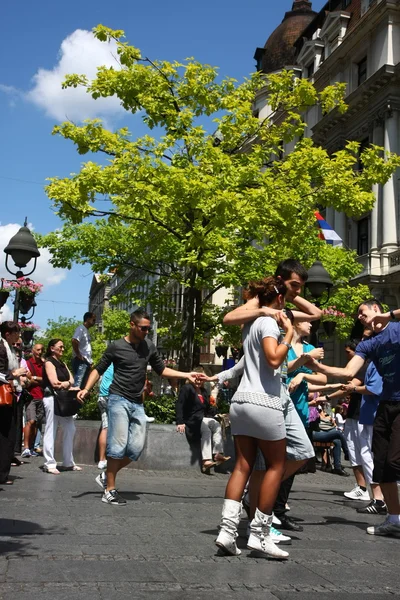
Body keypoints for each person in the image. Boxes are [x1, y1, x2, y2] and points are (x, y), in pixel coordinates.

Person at [223, 259, 318, 535]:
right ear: (279, 280)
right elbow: (229, 319)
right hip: (263, 394)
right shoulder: (261, 310)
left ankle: (254, 503)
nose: (298, 292)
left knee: (301, 452)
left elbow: (315, 313)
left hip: (276, 393)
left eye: (301, 287)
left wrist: (289, 296)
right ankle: (259, 524)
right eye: (294, 285)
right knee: (265, 464)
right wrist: (267, 308)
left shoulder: (284, 308)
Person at [78, 309, 203, 506]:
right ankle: (109, 490)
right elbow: (98, 369)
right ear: (132, 325)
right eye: (143, 328)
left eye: (148, 328)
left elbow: (161, 370)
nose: (146, 331)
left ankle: (106, 476)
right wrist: (86, 388)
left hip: (137, 402)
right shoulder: (116, 347)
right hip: (117, 398)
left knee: (135, 449)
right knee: (118, 445)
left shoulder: (149, 347)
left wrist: (186, 375)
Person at [215, 276, 293, 560]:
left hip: (240, 403)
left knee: (242, 467)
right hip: (264, 402)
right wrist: (291, 333)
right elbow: (273, 360)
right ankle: (259, 536)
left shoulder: (249, 325)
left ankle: (227, 532)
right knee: (276, 465)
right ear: (280, 299)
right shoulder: (271, 323)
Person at [308, 298, 400, 537]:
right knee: (380, 466)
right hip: (385, 406)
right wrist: (320, 367)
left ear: (376, 310)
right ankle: (394, 519)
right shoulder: (368, 344)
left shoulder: (397, 328)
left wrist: (390, 315)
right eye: (358, 314)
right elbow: (349, 372)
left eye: (362, 312)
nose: (359, 316)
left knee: (394, 462)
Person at [176, 367, 230, 473]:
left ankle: (218, 454)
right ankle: (206, 461)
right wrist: (180, 422)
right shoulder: (187, 389)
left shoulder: (204, 392)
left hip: (201, 418)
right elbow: (179, 405)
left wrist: (218, 413)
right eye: (197, 378)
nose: (199, 381)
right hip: (191, 419)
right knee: (206, 430)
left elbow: (208, 409)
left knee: (216, 425)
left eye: (201, 379)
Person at [42, 338, 81, 475]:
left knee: (70, 428)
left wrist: (64, 384)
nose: (63, 349)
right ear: (52, 348)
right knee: (51, 429)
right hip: (52, 398)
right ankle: (49, 463)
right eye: (60, 347)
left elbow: (71, 380)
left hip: (63, 399)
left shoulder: (62, 363)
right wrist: (66, 384)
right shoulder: (48, 362)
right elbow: (54, 382)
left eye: (63, 347)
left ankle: (68, 462)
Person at [0, 321, 28, 485]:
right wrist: (14, 374)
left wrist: (20, 377)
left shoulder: (11, 349)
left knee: (9, 435)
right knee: (5, 435)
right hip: (4, 397)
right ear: (7, 334)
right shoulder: (2, 348)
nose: (18, 336)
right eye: (16, 333)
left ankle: (3, 472)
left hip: (12, 396)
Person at [311, 400, 350, 475]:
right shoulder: (312, 410)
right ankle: (347, 453)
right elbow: (318, 422)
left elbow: (329, 421)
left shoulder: (324, 412)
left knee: (337, 441)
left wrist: (328, 418)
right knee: (338, 433)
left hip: (323, 432)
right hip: (314, 433)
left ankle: (337, 467)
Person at [22, 343, 45, 458]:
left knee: (36, 423)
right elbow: (27, 380)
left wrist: (34, 378)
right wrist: (36, 380)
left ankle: (31, 447)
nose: (40, 352)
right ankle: (25, 447)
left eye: (41, 350)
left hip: (42, 396)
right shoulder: (27, 363)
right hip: (31, 396)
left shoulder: (44, 364)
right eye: (38, 350)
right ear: (33, 350)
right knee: (30, 421)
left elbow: (46, 380)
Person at [72, 312, 96, 388]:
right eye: (93, 319)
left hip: (86, 361)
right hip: (81, 361)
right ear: (88, 319)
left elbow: (86, 348)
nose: (94, 322)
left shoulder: (86, 330)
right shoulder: (81, 329)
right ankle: (74, 398)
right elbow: (74, 340)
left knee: (84, 384)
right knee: (78, 383)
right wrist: (78, 354)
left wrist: (90, 361)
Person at [96, 363, 114, 471]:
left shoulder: (108, 365)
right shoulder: (120, 363)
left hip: (102, 396)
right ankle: (114, 458)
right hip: (112, 396)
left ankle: (101, 460)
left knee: (105, 427)